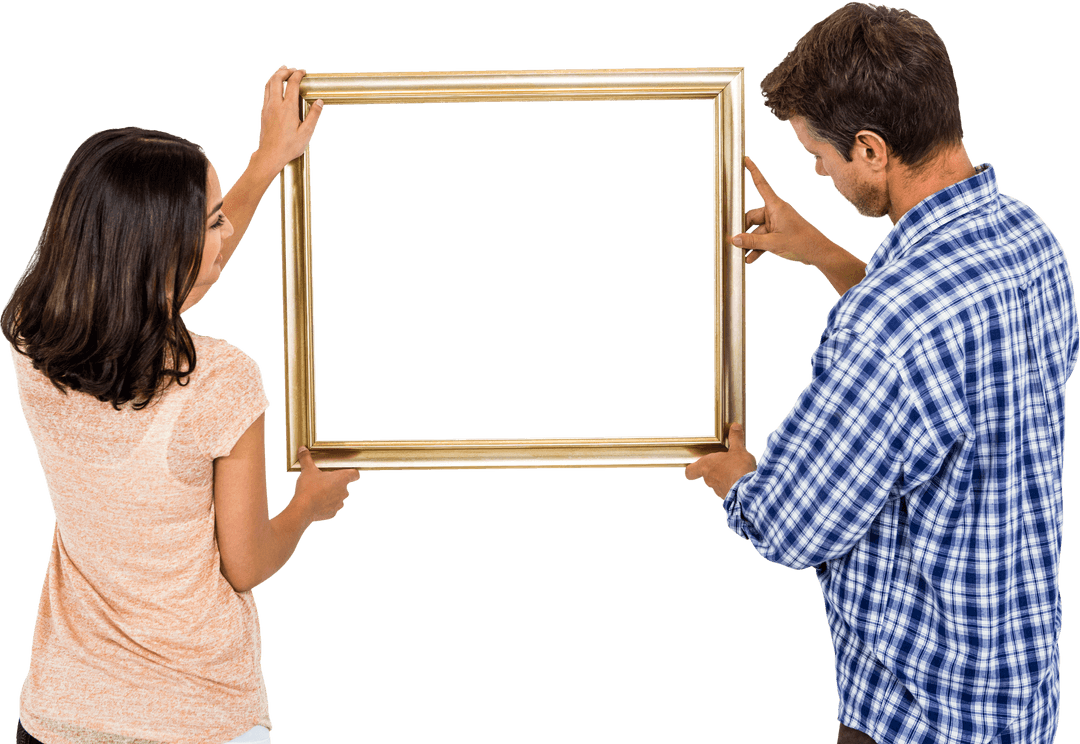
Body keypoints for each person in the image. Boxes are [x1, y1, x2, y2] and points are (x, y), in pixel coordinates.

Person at [684, 4, 1076, 744]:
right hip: (1016, 704)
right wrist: (826, 254)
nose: (818, 171)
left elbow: (793, 525)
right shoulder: (1031, 241)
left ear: (870, 148)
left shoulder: (889, 326)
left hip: (918, 719)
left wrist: (732, 477)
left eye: (817, 155)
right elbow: (942, 362)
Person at [3, 66, 360, 744]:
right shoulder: (220, 383)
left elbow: (154, 285)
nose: (225, 233)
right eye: (212, 221)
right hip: (196, 720)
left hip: (58, 716)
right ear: (161, 254)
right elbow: (246, 564)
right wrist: (308, 506)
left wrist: (265, 162)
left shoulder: (32, 342)